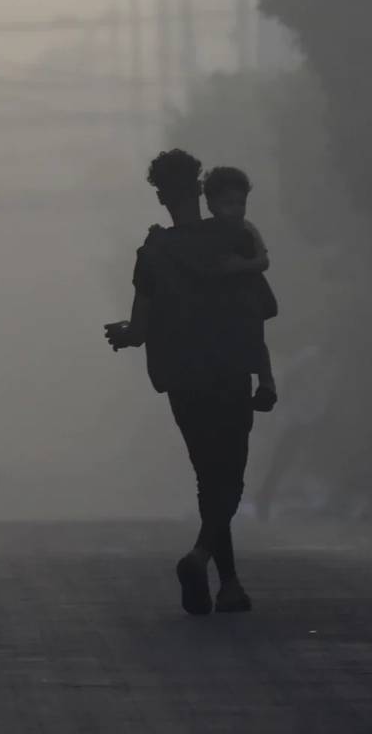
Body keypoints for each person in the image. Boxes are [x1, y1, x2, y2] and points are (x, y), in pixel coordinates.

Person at [105, 150, 275, 617]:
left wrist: (121, 335)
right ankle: (203, 560)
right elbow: (260, 312)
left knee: (207, 476)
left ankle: (231, 584)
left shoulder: (153, 252)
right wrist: (267, 376)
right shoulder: (234, 237)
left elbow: (138, 332)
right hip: (231, 372)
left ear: (160, 195)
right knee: (230, 476)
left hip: (182, 379)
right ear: (200, 187)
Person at [201, 166, 280, 412]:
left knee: (257, 338)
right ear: (212, 204)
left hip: (250, 294)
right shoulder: (206, 232)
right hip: (224, 302)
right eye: (229, 203)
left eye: (241, 203)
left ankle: (267, 384)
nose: (236, 209)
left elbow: (263, 261)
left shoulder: (247, 229)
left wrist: (239, 266)